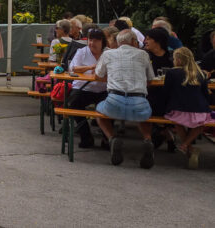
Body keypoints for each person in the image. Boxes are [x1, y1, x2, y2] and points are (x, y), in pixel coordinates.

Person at [94, 29, 157, 168]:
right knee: (145, 115)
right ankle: (147, 140)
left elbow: (98, 75)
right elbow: (151, 79)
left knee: (99, 112)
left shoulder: (108, 54)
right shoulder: (143, 55)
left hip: (114, 101)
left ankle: (112, 138)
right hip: (139, 101)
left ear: (118, 42)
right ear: (134, 41)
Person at [164, 47, 213, 169]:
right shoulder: (200, 73)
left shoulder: (172, 73)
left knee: (177, 122)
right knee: (202, 124)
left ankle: (186, 145)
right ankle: (187, 146)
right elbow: (206, 94)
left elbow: (166, 92)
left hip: (178, 109)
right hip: (200, 110)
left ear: (179, 60)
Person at [67, 28, 109, 148]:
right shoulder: (82, 51)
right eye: (90, 40)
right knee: (73, 103)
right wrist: (91, 67)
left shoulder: (109, 53)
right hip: (83, 88)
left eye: (96, 40)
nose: (92, 43)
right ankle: (86, 136)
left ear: (103, 42)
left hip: (103, 89)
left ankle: (107, 138)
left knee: (111, 105)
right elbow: (73, 68)